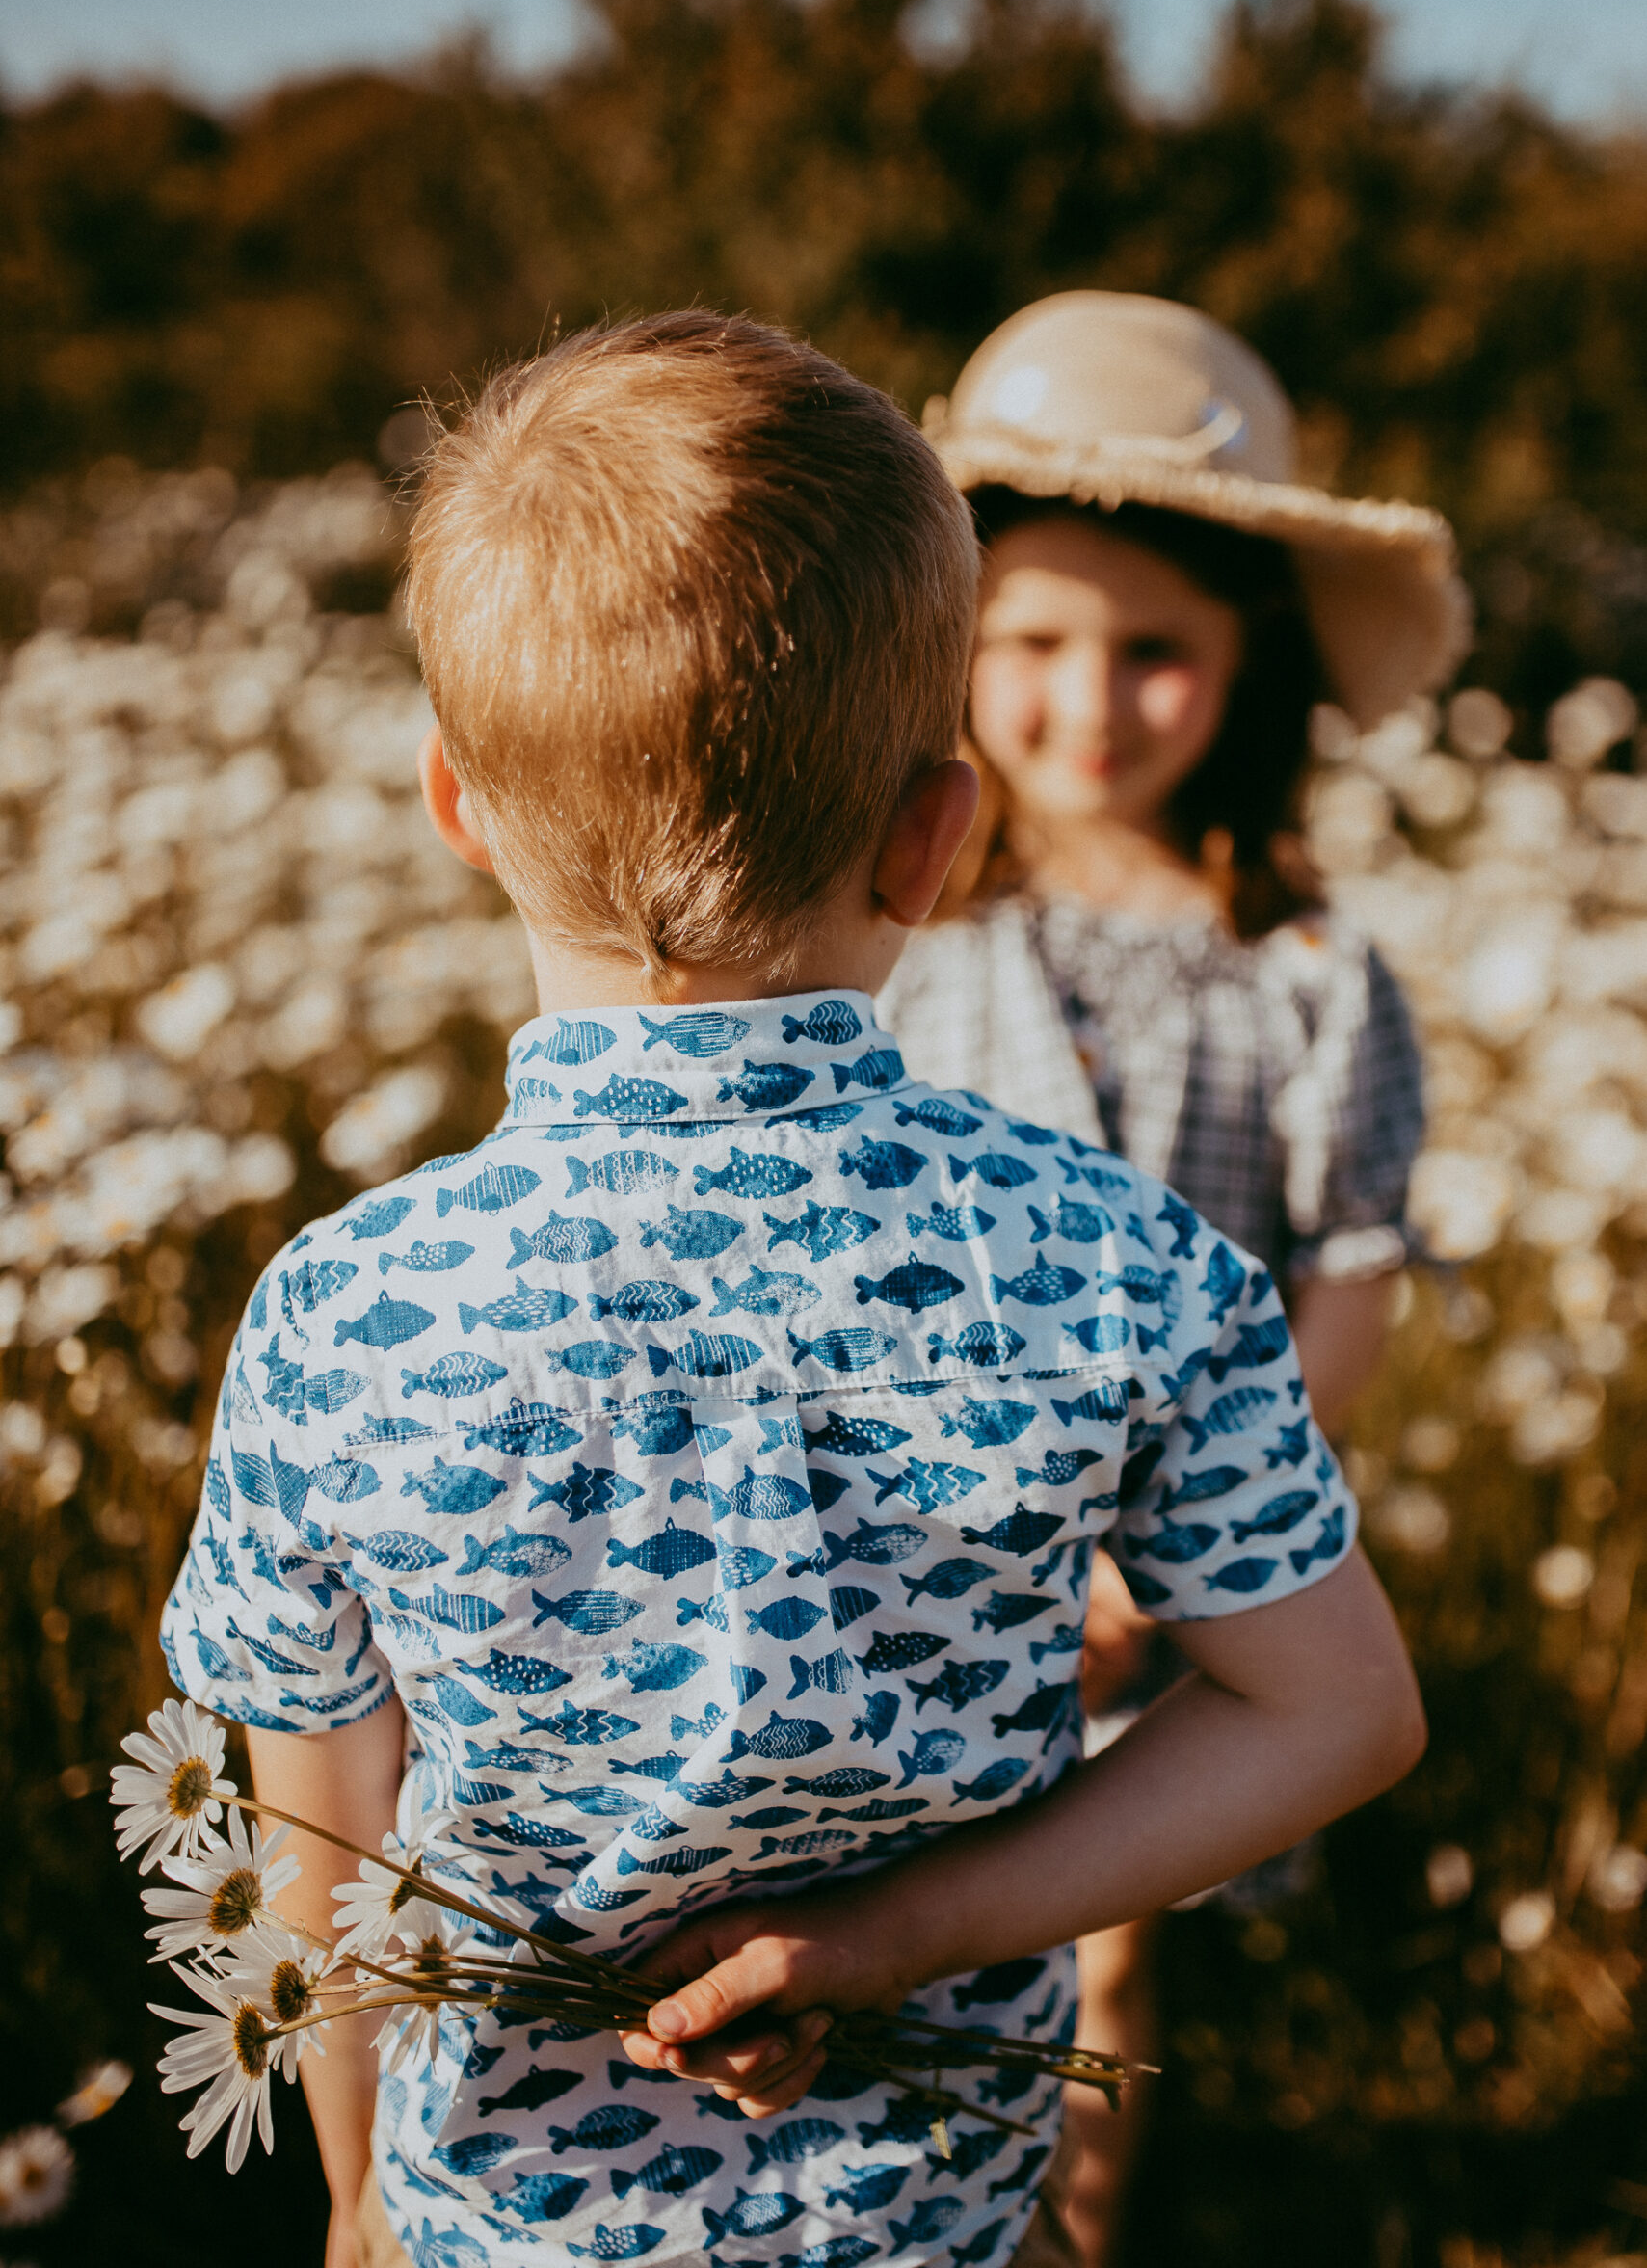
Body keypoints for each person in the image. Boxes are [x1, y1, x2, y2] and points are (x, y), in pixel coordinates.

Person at [159, 311, 1426, 2268]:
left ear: (457, 808)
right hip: (933, 2214)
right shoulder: (1128, 1266)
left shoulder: (340, 1318)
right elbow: (1341, 1708)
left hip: (498, 2217)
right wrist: (891, 1934)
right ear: (942, 831)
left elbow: (314, 1851)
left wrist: (350, 2195)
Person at [877, 289, 1470, 2263]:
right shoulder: (890, 925)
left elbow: (1353, 1276)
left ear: (1248, 667)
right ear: (954, 652)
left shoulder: (1304, 967)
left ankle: (1072, 2238)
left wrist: (1179, 1555)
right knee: (886, 1964)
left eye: (1156, 651)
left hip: (1180, 1567)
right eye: (1032, 644)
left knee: (1101, 1969)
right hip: (908, 1547)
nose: (1090, 698)